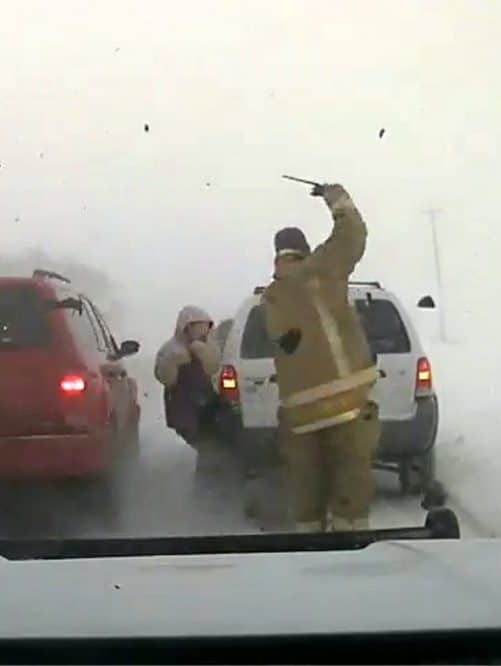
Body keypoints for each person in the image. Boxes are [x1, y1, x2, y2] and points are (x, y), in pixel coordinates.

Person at [262, 183, 379, 533]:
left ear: (277, 258)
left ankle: (309, 555)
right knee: (351, 499)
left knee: (306, 501)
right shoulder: (321, 270)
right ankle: (351, 552)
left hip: (299, 417)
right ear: (304, 251)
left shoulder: (272, 297)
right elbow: (352, 233)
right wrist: (336, 196)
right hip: (347, 406)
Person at [154, 306, 240, 512]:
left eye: (205, 326)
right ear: (186, 327)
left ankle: (212, 494)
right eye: (198, 326)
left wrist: (204, 354)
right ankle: (208, 499)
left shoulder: (211, 346)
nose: (203, 331)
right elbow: (165, 378)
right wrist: (174, 361)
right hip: (185, 409)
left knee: (211, 450)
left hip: (209, 407)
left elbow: (215, 369)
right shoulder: (171, 349)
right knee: (208, 450)